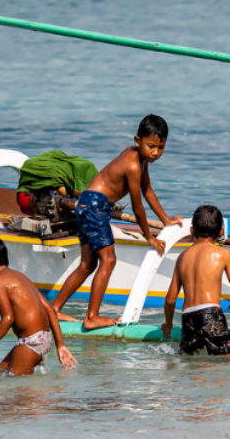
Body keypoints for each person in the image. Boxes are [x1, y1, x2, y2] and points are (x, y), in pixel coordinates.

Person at [51, 114, 183, 330]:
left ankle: (55, 309)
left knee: (88, 265)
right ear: (137, 140)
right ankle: (92, 316)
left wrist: (166, 220)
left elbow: (147, 190)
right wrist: (149, 236)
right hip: (95, 205)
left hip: (87, 204)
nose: (155, 153)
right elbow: (137, 204)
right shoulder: (132, 165)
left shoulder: (140, 158)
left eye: (161, 148)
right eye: (151, 146)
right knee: (109, 260)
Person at [0, 235, 78, 376]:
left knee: (13, 390)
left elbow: (8, 318)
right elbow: (49, 309)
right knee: (0, 374)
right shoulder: (21, 276)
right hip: (43, 338)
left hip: (30, 342)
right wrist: (60, 345)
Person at [161, 205, 230, 355]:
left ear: (192, 231)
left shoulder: (182, 257)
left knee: (194, 369)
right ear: (221, 232)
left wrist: (168, 325)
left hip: (187, 318)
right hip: (211, 314)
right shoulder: (223, 254)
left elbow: (170, 300)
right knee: (227, 364)